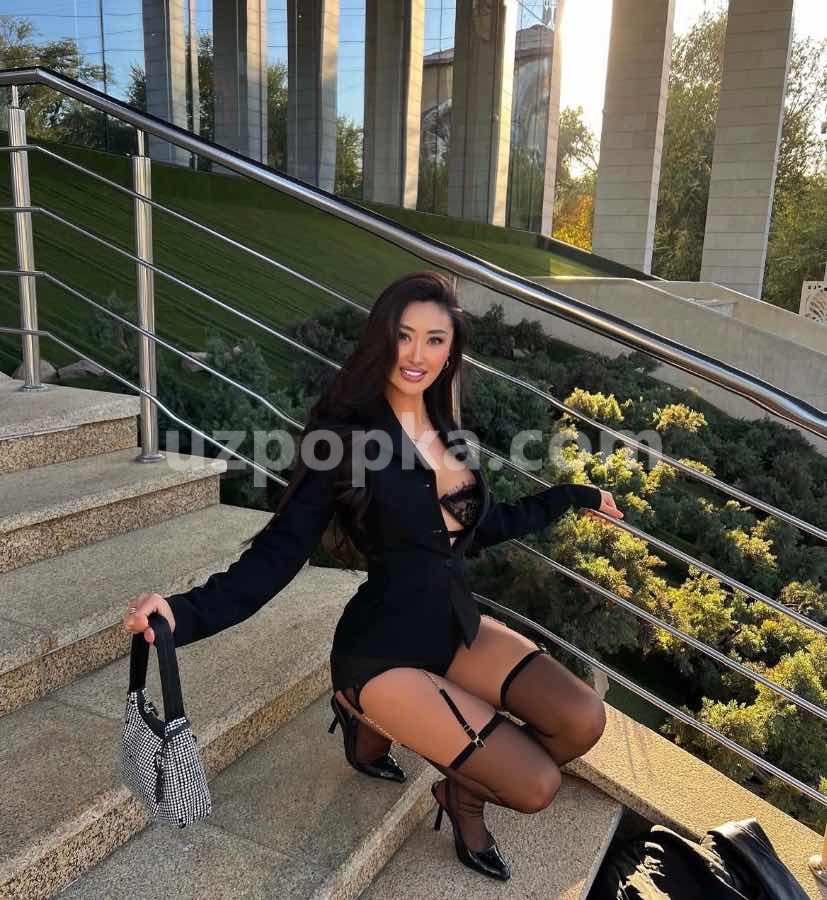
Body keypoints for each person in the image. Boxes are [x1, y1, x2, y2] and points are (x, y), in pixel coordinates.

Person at [122, 270, 623, 882]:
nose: (417, 355)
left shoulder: (447, 429)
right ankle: (370, 716)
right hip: (382, 650)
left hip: (451, 624)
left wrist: (572, 496)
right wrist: (182, 612)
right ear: (381, 338)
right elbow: (277, 555)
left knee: (582, 719)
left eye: (435, 340)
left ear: (451, 351)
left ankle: (457, 791)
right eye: (404, 336)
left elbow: (483, 526)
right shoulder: (343, 437)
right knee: (536, 784)